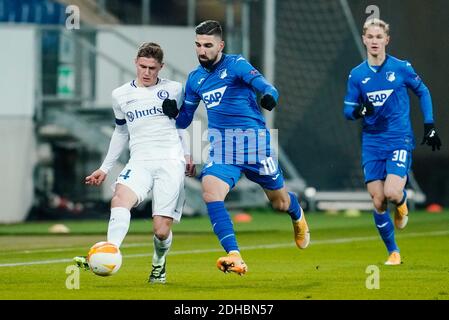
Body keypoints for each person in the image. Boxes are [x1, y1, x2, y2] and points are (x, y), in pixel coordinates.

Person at [162, 20, 310, 276]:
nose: (201, 50)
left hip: (255, 145)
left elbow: (267, 87)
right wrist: (173, 113)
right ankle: (234, 254)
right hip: (223, 149)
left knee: (279, 203)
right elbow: (185, 119)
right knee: (210, 191)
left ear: (220, 45)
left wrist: (268, 96)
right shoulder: (195, 79)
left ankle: (296, 213)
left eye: (208, 45)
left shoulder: (236, 64)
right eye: (197, 45)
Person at [73, 42, 195, 283]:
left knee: (161, 231)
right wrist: (105, 168)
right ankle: (109, 252)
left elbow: (184, 125)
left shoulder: (175, 89)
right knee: (119, 199)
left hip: (170, 161)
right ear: (135, 63)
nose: (147, 72)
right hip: (139, 161)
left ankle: (159, 264)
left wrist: (188, 154)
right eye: (143, 66)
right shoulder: (120, 95)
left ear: (161, 67)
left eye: (152, 68)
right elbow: (120, 132)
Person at [343, 18, 441, 265]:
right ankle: (393, 252)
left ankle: (402, 201)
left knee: (392, 191)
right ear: (364, 39)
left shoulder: (401, 68)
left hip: (398, 138)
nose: (374, 41)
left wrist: (429, 125)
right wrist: (359, 112)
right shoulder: (357, 75)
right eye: (370, 37)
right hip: (372, 142)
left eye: (379, 37)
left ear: (387, 40)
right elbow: (348, 111)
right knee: (377, 200)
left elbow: (423, 91)